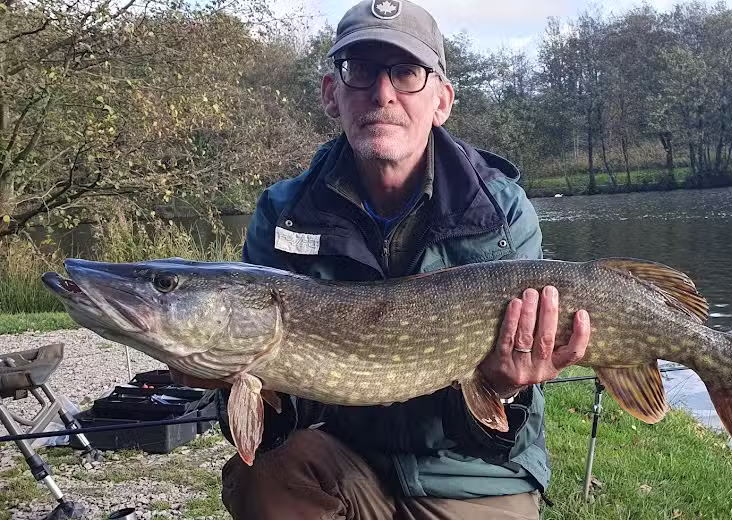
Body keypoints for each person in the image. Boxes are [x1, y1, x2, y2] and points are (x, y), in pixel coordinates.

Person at [174, 1, 591, 518]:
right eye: (361, 70)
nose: (383, 92)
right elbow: (275, 423)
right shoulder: (284, 213)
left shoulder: (500, 212)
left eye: (406, 72)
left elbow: (504, 421)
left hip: (471, 475)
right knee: (262, 474)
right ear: (332, 93)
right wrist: (229, 377)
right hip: (348, 459)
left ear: (442, 100)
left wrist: (504, 387)